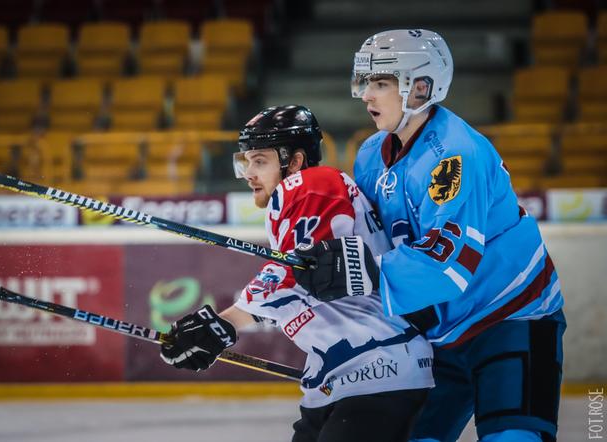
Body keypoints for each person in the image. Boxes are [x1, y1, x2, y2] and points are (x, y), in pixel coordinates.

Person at [292, 30, 566, 442]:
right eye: (366, 82)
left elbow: (450, 265)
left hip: (512, 317)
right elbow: (369, 237)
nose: (367, 95)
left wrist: (363, 269)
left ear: (420, 87)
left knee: (514, 438)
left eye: (381, 83)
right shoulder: (370, 153)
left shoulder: (454, 156)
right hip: (437, 335)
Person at [159, 105, 434, 442]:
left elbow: (295, 272)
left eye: (259, 161)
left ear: (296, 161)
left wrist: (225, 324)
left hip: (378, 368)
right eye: (245, 162)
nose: (249, 173)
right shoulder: (298, 199)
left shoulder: (312, 183)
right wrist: (225, 326)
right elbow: (306, 286)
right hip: (344, 376)